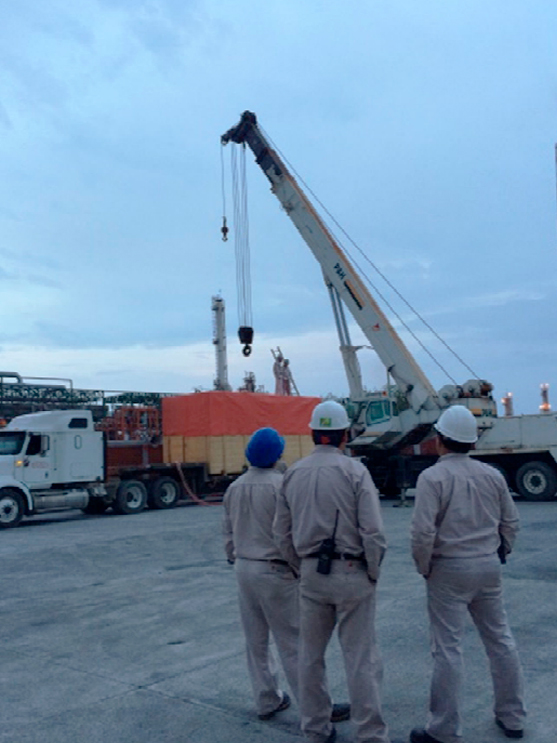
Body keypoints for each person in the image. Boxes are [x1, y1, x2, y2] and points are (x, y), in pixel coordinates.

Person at [274, 400, 390, 743]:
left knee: (310, 657)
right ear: (344, 435)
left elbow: (280, 534)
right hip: (352, 570)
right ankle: (370, 734)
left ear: (312, 433)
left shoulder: (293, 473)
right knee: (360, 658)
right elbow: (373, 532)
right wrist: (372, 571)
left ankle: (315, 728)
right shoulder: (355, 472)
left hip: (312, 575)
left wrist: (301, 566)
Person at [409, 405, 526, 743]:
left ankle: (444, 729)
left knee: (448, 649)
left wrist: (424, 566)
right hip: (488, 565)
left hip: (449, 568)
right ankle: (513, 716)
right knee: (500, 640)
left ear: (440, 439)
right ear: (472, 442)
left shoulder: (432, 478)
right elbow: (511, 521)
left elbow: (422, 533)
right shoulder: (492, 475)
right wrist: (501, 550)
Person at [223, 427, 350, 724]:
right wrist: (297, 567)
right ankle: (317, 708)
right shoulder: (281, 485)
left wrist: (235, 557)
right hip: (275, 569)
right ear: (277, 454)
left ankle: (267, 699)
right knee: (294, 643)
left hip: (244, 568)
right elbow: (292, 531)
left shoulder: (235, 488)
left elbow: (228, 534)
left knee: (256, 641)